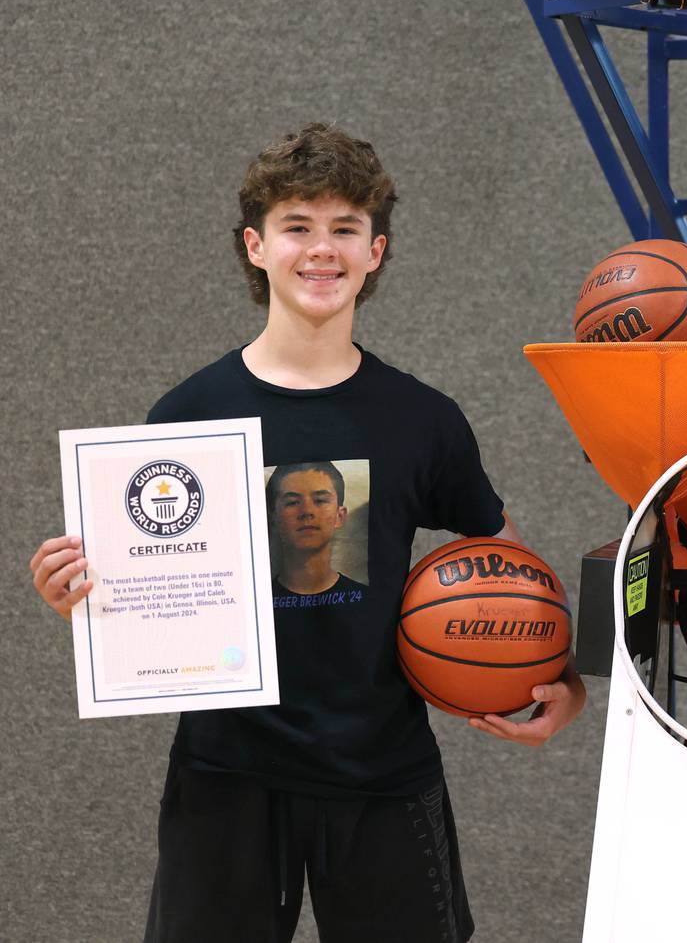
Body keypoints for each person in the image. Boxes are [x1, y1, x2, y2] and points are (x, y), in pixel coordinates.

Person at [28, 123, 586, 943]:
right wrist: (82, 594)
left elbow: (515, 571)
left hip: (382, 770)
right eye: (297, 226)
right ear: (256, 246)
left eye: (344, 228)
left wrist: (561, 685)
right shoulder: (187, 416)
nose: (320, 250)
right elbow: (141, 591)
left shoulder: (423, 419)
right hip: (226, 773)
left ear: (375, 250)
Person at [266, 460, 365, 594]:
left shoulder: (364, 594)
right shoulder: (254, 600)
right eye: (292, 502)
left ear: (339, 516)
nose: (307, 511)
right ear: (274, 519)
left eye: (320, 500)